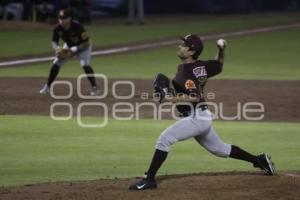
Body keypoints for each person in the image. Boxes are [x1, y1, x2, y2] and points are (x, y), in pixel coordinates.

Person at [129, 34, 275, 190]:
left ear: (191, 52)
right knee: (220, 149)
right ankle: (259, 160)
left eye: (184, 45)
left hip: (196, 118)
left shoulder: (185, 71)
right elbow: (219, 65)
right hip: (201, 116)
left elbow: (194, 96)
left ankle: (149, 179)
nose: (180, 47)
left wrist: (168, 98)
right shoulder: (202, 67)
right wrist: (221, 49)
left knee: (165, 139)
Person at [39, 9, 97, 95]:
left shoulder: (77, 27)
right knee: (56, 63)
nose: (61, 20)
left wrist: (74, 50)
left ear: (69, 18)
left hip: (83, 47)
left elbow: (86, 43)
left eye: (64, 18)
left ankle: (94, 88)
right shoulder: (57, 28)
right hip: (69, 46)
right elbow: (54, 42)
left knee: (85, 64)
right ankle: (47, 87)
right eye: (60, 18)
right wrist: (57, 48)